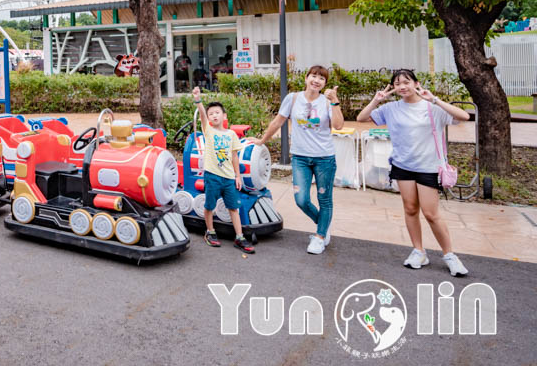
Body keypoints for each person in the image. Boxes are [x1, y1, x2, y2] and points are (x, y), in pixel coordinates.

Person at [357, 69, 471, 276]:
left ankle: (450, 255)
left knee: (431, 213)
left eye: (406, 82)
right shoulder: (391, 108)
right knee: (410, 209)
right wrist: (376, 100)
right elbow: (361, 118)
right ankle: (418, 251)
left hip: (428, 167)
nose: (402, 86)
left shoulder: (431, 107)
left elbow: (464, 116)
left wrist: (434, 99)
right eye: (397, 83)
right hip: (403, 166)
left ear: (416, 83)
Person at [250, 65, 343, 254]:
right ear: (306, 78)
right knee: (301, 199)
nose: (316, 81)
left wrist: (334, 102)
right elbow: (277, 121)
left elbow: (339, 126)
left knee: (324, 199)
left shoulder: (326, 102)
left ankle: (319, 237)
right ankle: (323, 225)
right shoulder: (292, 99)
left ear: (325, 83)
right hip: (300, 157)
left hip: (324, 158)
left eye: (321, 79)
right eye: (314, 76)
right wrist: (261, 140)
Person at [192, 86, 255, 254]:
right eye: (211, 113)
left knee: (233, 207)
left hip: (228, 178)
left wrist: (238, 176)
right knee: (209, 206)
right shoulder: (209, 131)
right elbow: (203, 117)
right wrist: (198, 100)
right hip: (212, 176)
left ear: (224, 116)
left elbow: (235, 157)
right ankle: (210, 232)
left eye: (217, 112)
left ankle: (239, 236)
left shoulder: (231, 135)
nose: (213, 115)